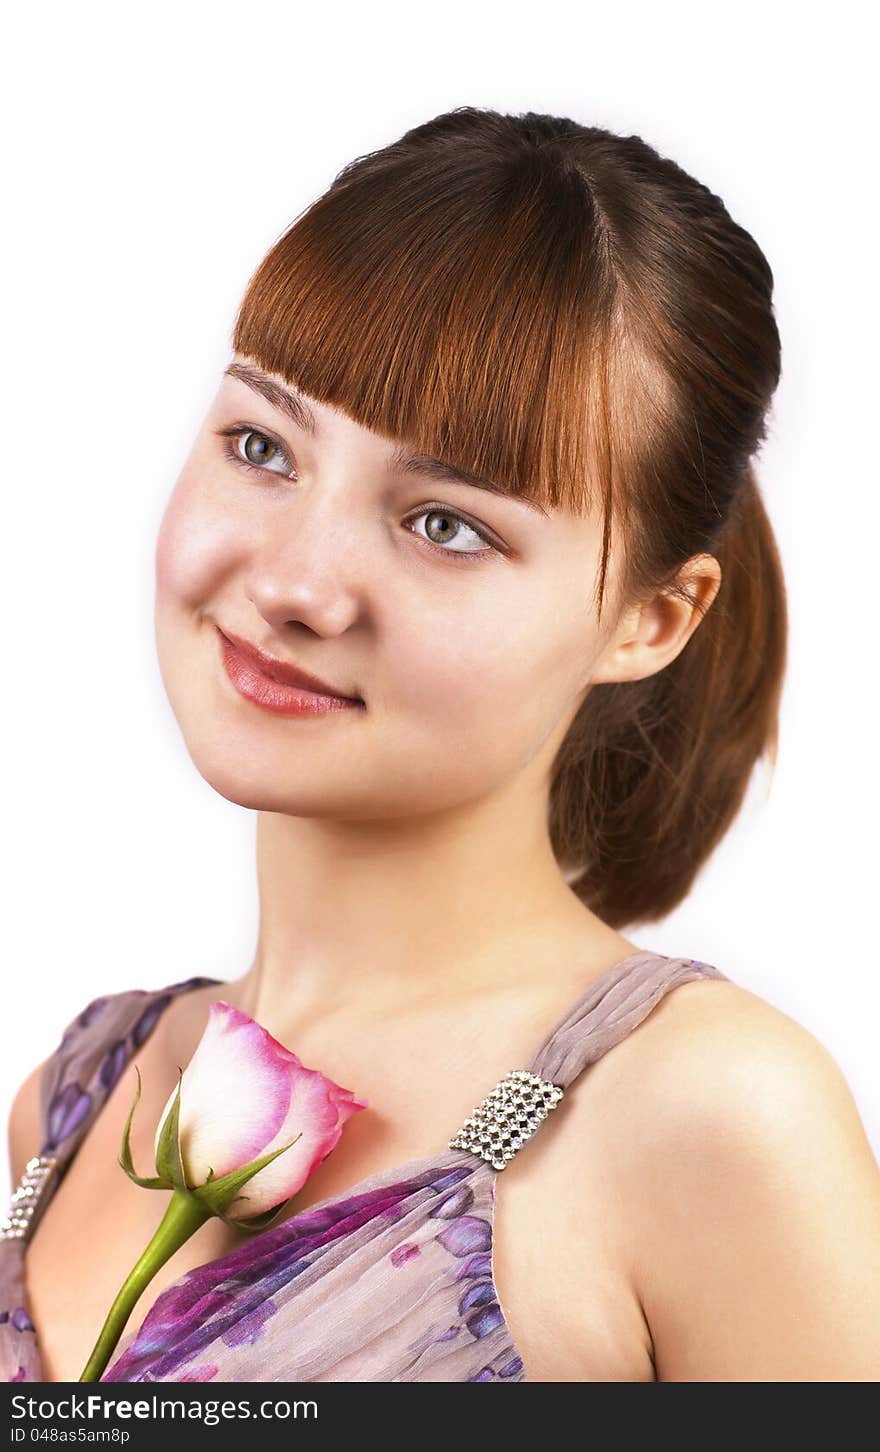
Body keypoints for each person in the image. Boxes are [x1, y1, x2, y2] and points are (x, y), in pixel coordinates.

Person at [4, 106, 879, 1384]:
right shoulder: (76, 1097)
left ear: (649, 618)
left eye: (447, 525)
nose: (299, 582)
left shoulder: (706, 1116)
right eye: (262, 446)